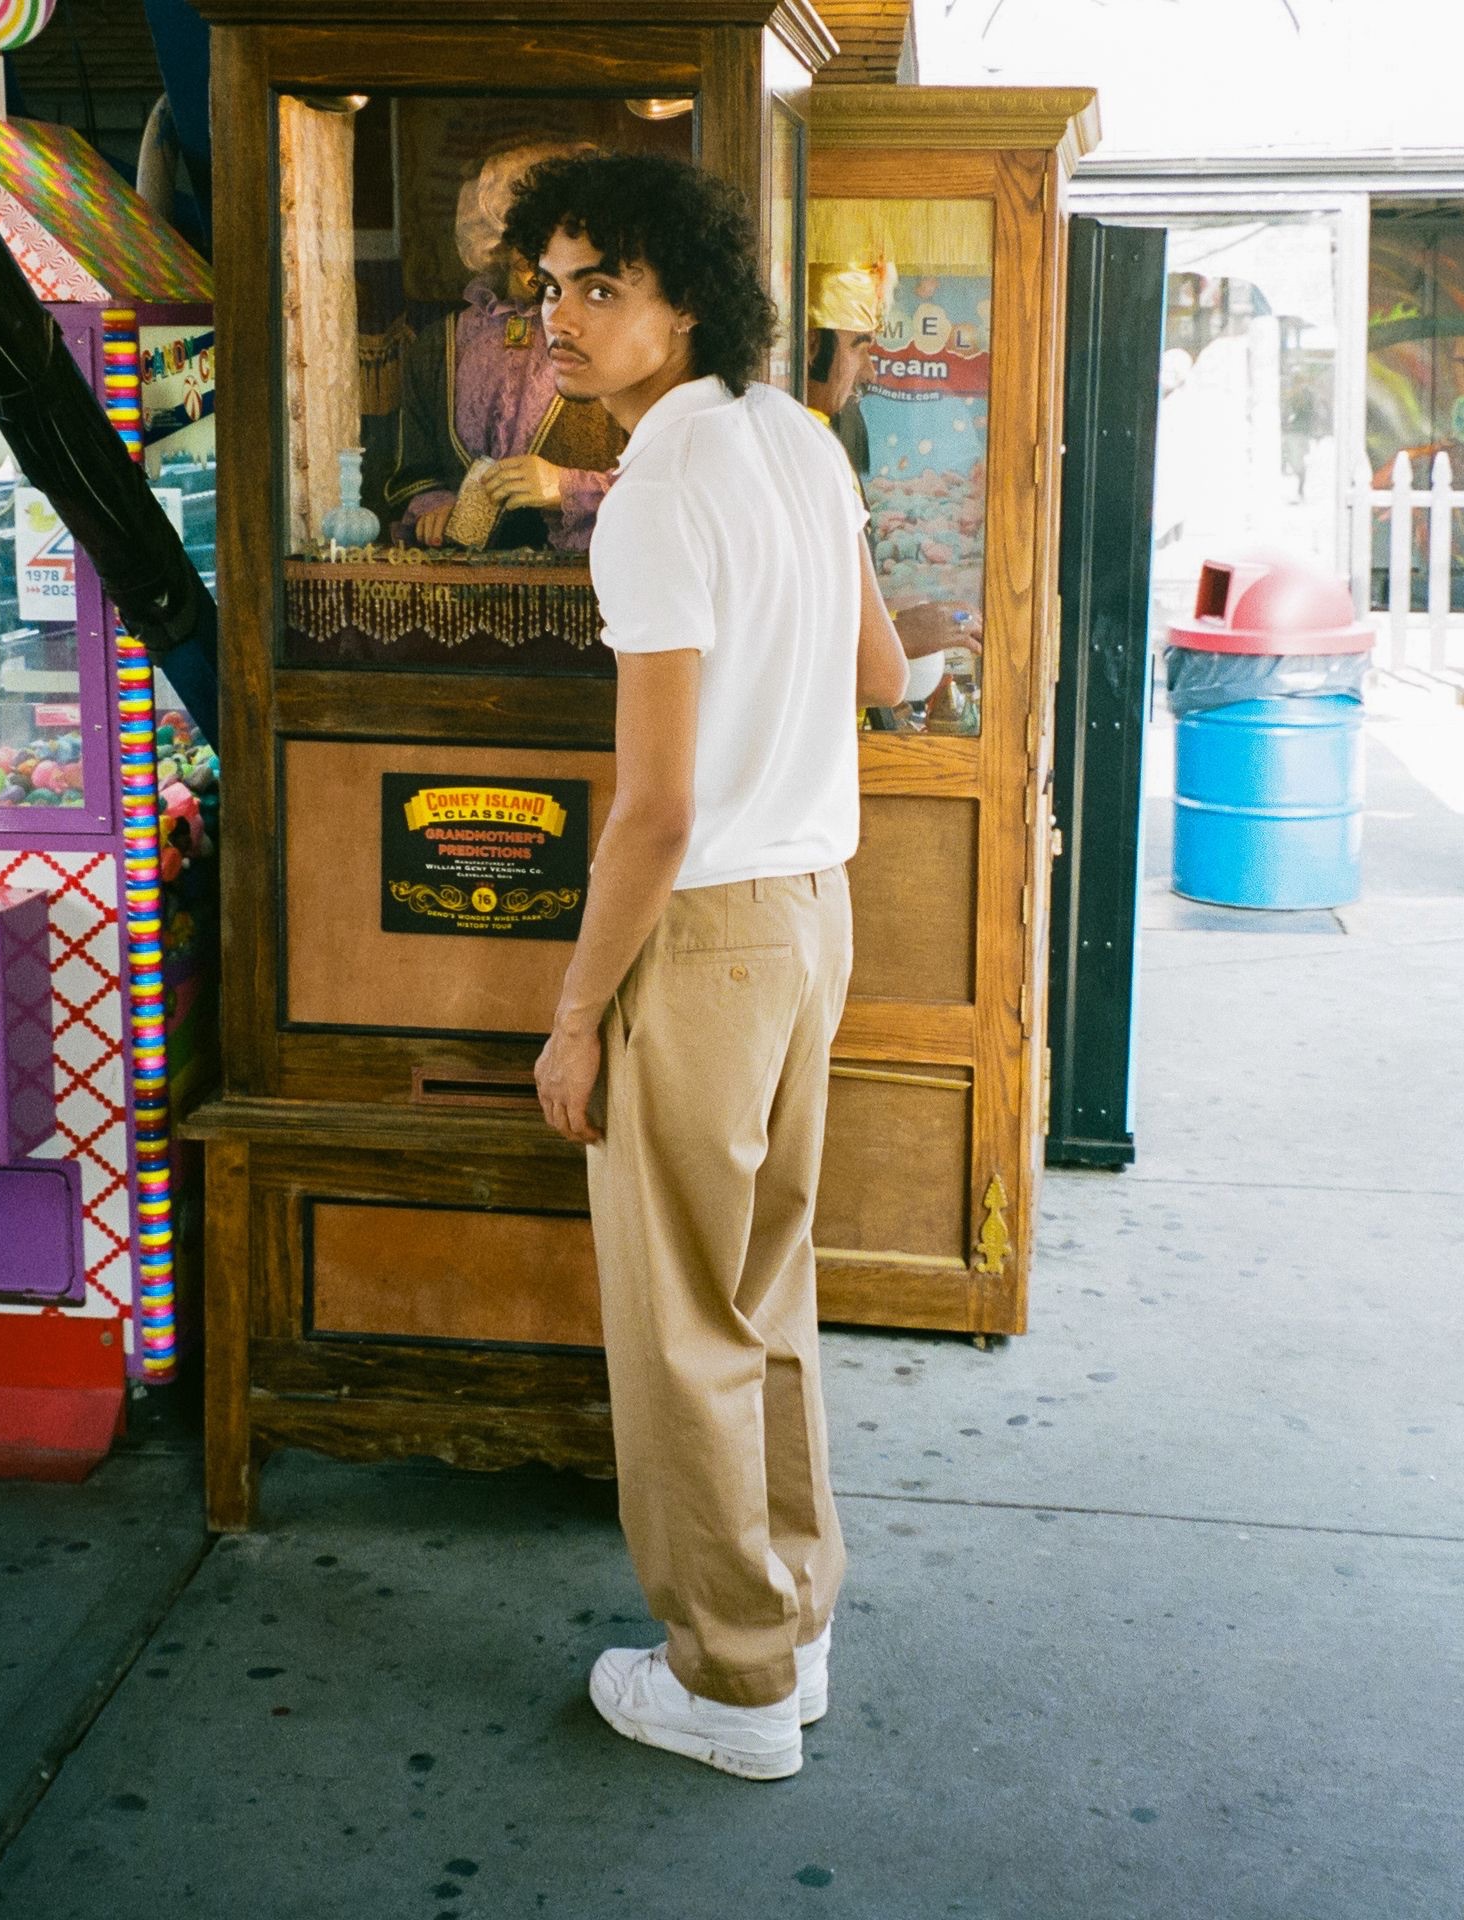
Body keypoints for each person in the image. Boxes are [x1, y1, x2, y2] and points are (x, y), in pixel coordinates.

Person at [505, 150, 908, 1781]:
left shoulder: (657, 492)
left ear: (685, 297)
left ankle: (726, 1682)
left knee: (675, 1322)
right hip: (813, 912)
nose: (561, 319)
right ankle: (788, 1629)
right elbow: (883, 670)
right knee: (765, 1293)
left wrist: (571, 1015)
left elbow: (655, 811)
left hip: (711, 930)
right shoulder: (798, 441)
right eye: (547, 286)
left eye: (599, 283)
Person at [384, 141, 623, 552]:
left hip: (580, 583)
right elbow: (413, 464)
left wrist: (563, 487)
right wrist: (433, 505)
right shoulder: (439, 346)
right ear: (498, 241)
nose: (543, 265)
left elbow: (661, 477)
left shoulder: (614, 343)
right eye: (530, 244)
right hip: (457, 588)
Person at [805, 259, 982, 686]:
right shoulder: (802, 457)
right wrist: (908, 634)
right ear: (810, 346)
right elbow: (795, 647)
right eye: (859, 347)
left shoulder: (820, 442)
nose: (869, 371)